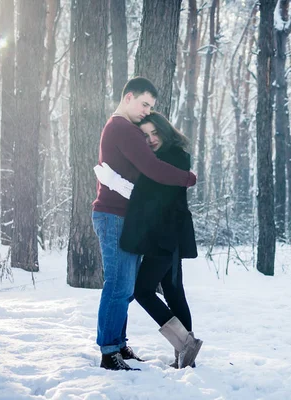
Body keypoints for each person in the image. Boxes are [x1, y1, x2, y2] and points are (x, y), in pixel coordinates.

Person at [92, 77, 197, 371]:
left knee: (127, 287)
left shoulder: (126, 129)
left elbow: (141, 177)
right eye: (144, 104)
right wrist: (187, 178)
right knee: (119, 285)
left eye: (151, 106)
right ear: (128, 97)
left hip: (128, 218)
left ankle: (119, 345)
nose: (147, 110)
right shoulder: (122, 127)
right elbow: (151, 169)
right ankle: (109, 351)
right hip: (113, 215)